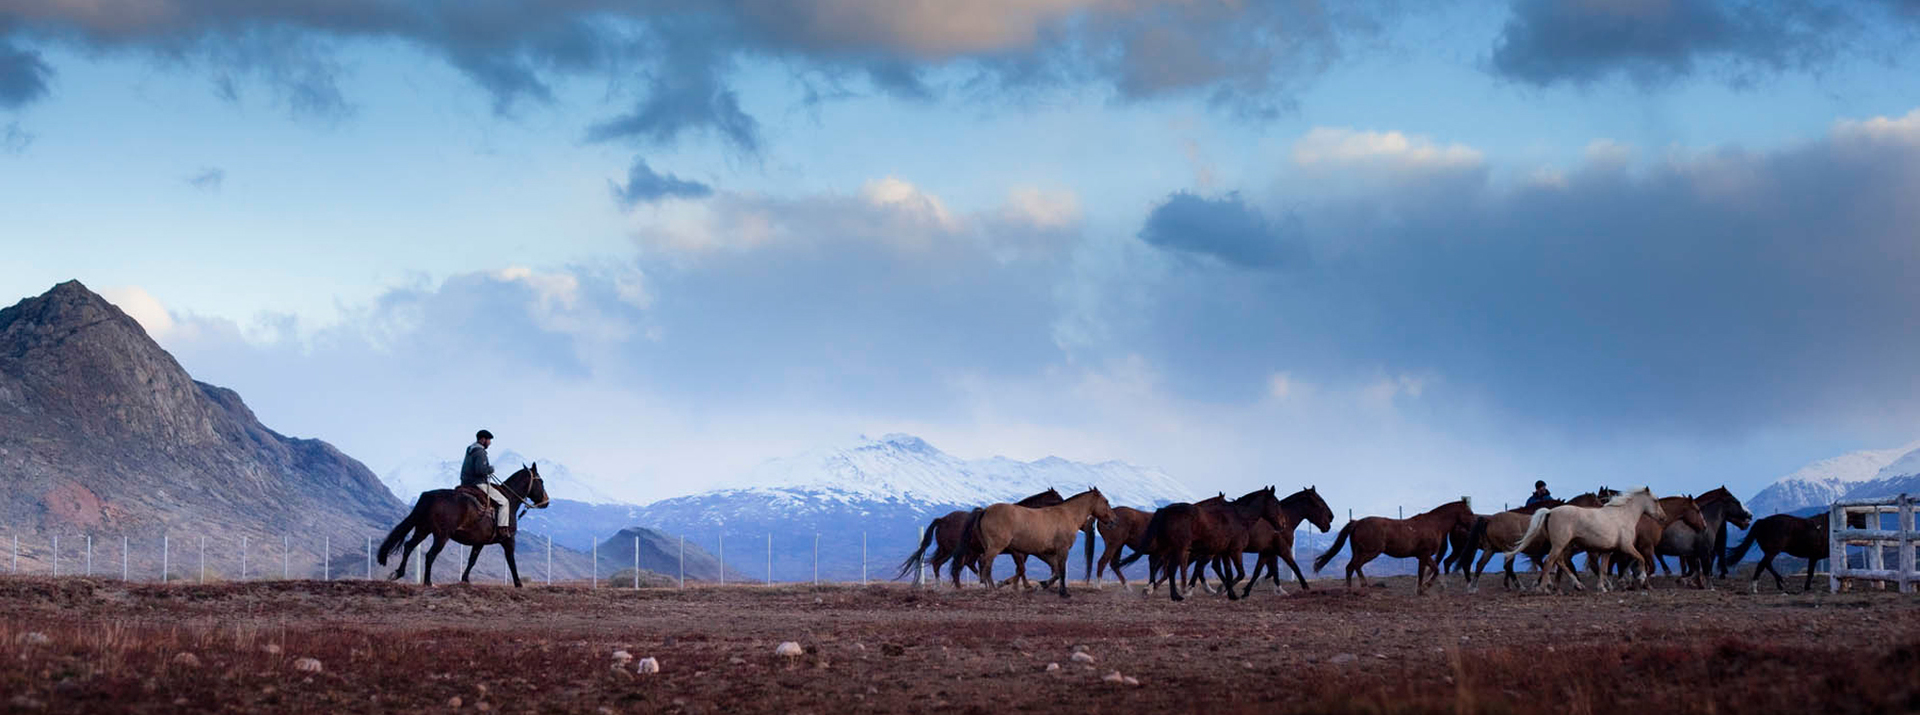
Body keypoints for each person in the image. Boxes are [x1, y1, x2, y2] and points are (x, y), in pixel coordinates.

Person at [461, 429, 513, 537]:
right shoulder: (480, 452)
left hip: (465, 483)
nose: (490, 443)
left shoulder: (470, 450)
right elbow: (480, 470)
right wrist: (490, 469)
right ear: (482, 439)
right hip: (478, 483)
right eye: (488, 440)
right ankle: (502, 528)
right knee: (504, 502)